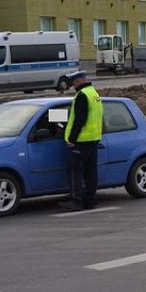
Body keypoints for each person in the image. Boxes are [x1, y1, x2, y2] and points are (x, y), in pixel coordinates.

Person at [59, 70, 104, 210]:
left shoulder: (82, 95)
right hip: (94, 138)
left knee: (74, 170)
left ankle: (76, 200)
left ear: (79, 80)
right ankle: (90, 199)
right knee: (91, 170)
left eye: (73, 81)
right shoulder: (94, 94)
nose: (72, 84)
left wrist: (72, 138)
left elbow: (79, 119)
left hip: (82, 140)